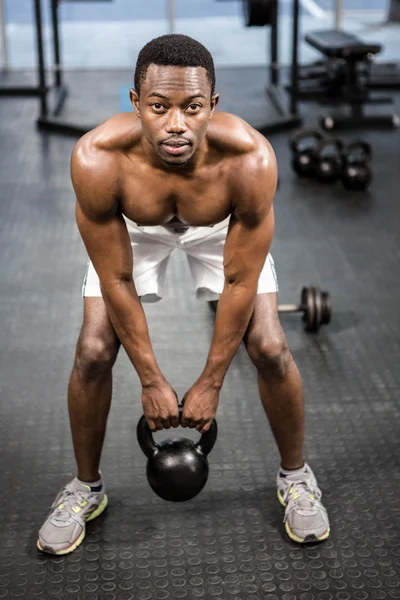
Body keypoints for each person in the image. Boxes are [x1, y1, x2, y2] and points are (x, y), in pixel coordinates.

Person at [37, 34, 330, 556]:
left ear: (212, 107)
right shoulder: (98, 159)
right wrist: (150, 380)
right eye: (159, 106)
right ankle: (85, 488)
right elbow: (116, 278)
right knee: (93, 351)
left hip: (219, 227)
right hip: (135, 228)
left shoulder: (250, 161)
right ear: (135, 103)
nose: (176, 123)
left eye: (192, 107)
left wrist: (211, 383)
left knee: (269, 346)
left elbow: (239, 281)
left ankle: (296, 477)